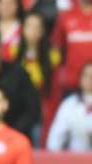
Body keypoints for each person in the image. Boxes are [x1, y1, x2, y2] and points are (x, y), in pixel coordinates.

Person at [0, 27, 40, 141]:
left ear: (0, 47)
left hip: (15, 136)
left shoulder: (18, 73)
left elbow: (32, 109)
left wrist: (10, 134)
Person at [16, 11, 61, 146]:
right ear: (22, 29)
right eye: (29, 26)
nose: (33, 31)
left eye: (37, 27)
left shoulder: (53, 57)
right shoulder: (12, 53)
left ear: (43, 31)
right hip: (19, 111)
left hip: (41, 113)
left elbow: (54, 89)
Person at [47, 62, 92, 151]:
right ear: (80, 80)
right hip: (74, 159)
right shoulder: (69, 104)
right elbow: (55, 138)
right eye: (87, 75)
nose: (91, 79)